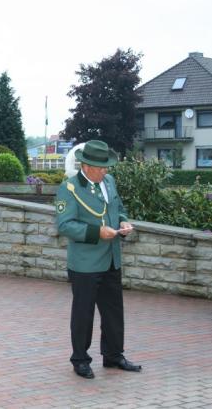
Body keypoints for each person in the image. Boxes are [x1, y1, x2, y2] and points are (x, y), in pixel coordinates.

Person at [55, 140, 141, 379]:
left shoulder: (109, 182)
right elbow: (65, 225)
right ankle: (80, 360)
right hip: (85, 264)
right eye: (101, 166)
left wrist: (123, 220)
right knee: (83, 314)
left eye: (106, 166)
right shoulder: (69, 188)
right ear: (86, 165)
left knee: (114, 311)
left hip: (112, 258)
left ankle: (113, 355)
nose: (106, 170)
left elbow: (118, 207)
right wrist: (96, 233)